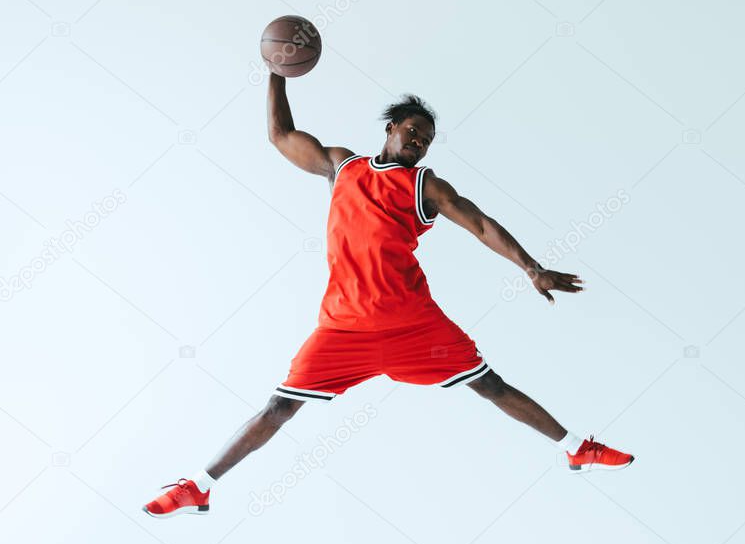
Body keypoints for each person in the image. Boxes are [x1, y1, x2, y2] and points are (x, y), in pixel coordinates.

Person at [143, 74, 633, 518]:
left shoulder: (425, 185)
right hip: (343, 328)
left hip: (413, 324)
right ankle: (199, 487)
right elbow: (281, 136)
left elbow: (480, 223)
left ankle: (578, 448)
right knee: (278, 408)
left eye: (426, 141)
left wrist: (532, 268)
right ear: (392, 127)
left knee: (491, 386)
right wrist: (276, 71)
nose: (419, 143)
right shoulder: (342, 166)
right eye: (414, 132)